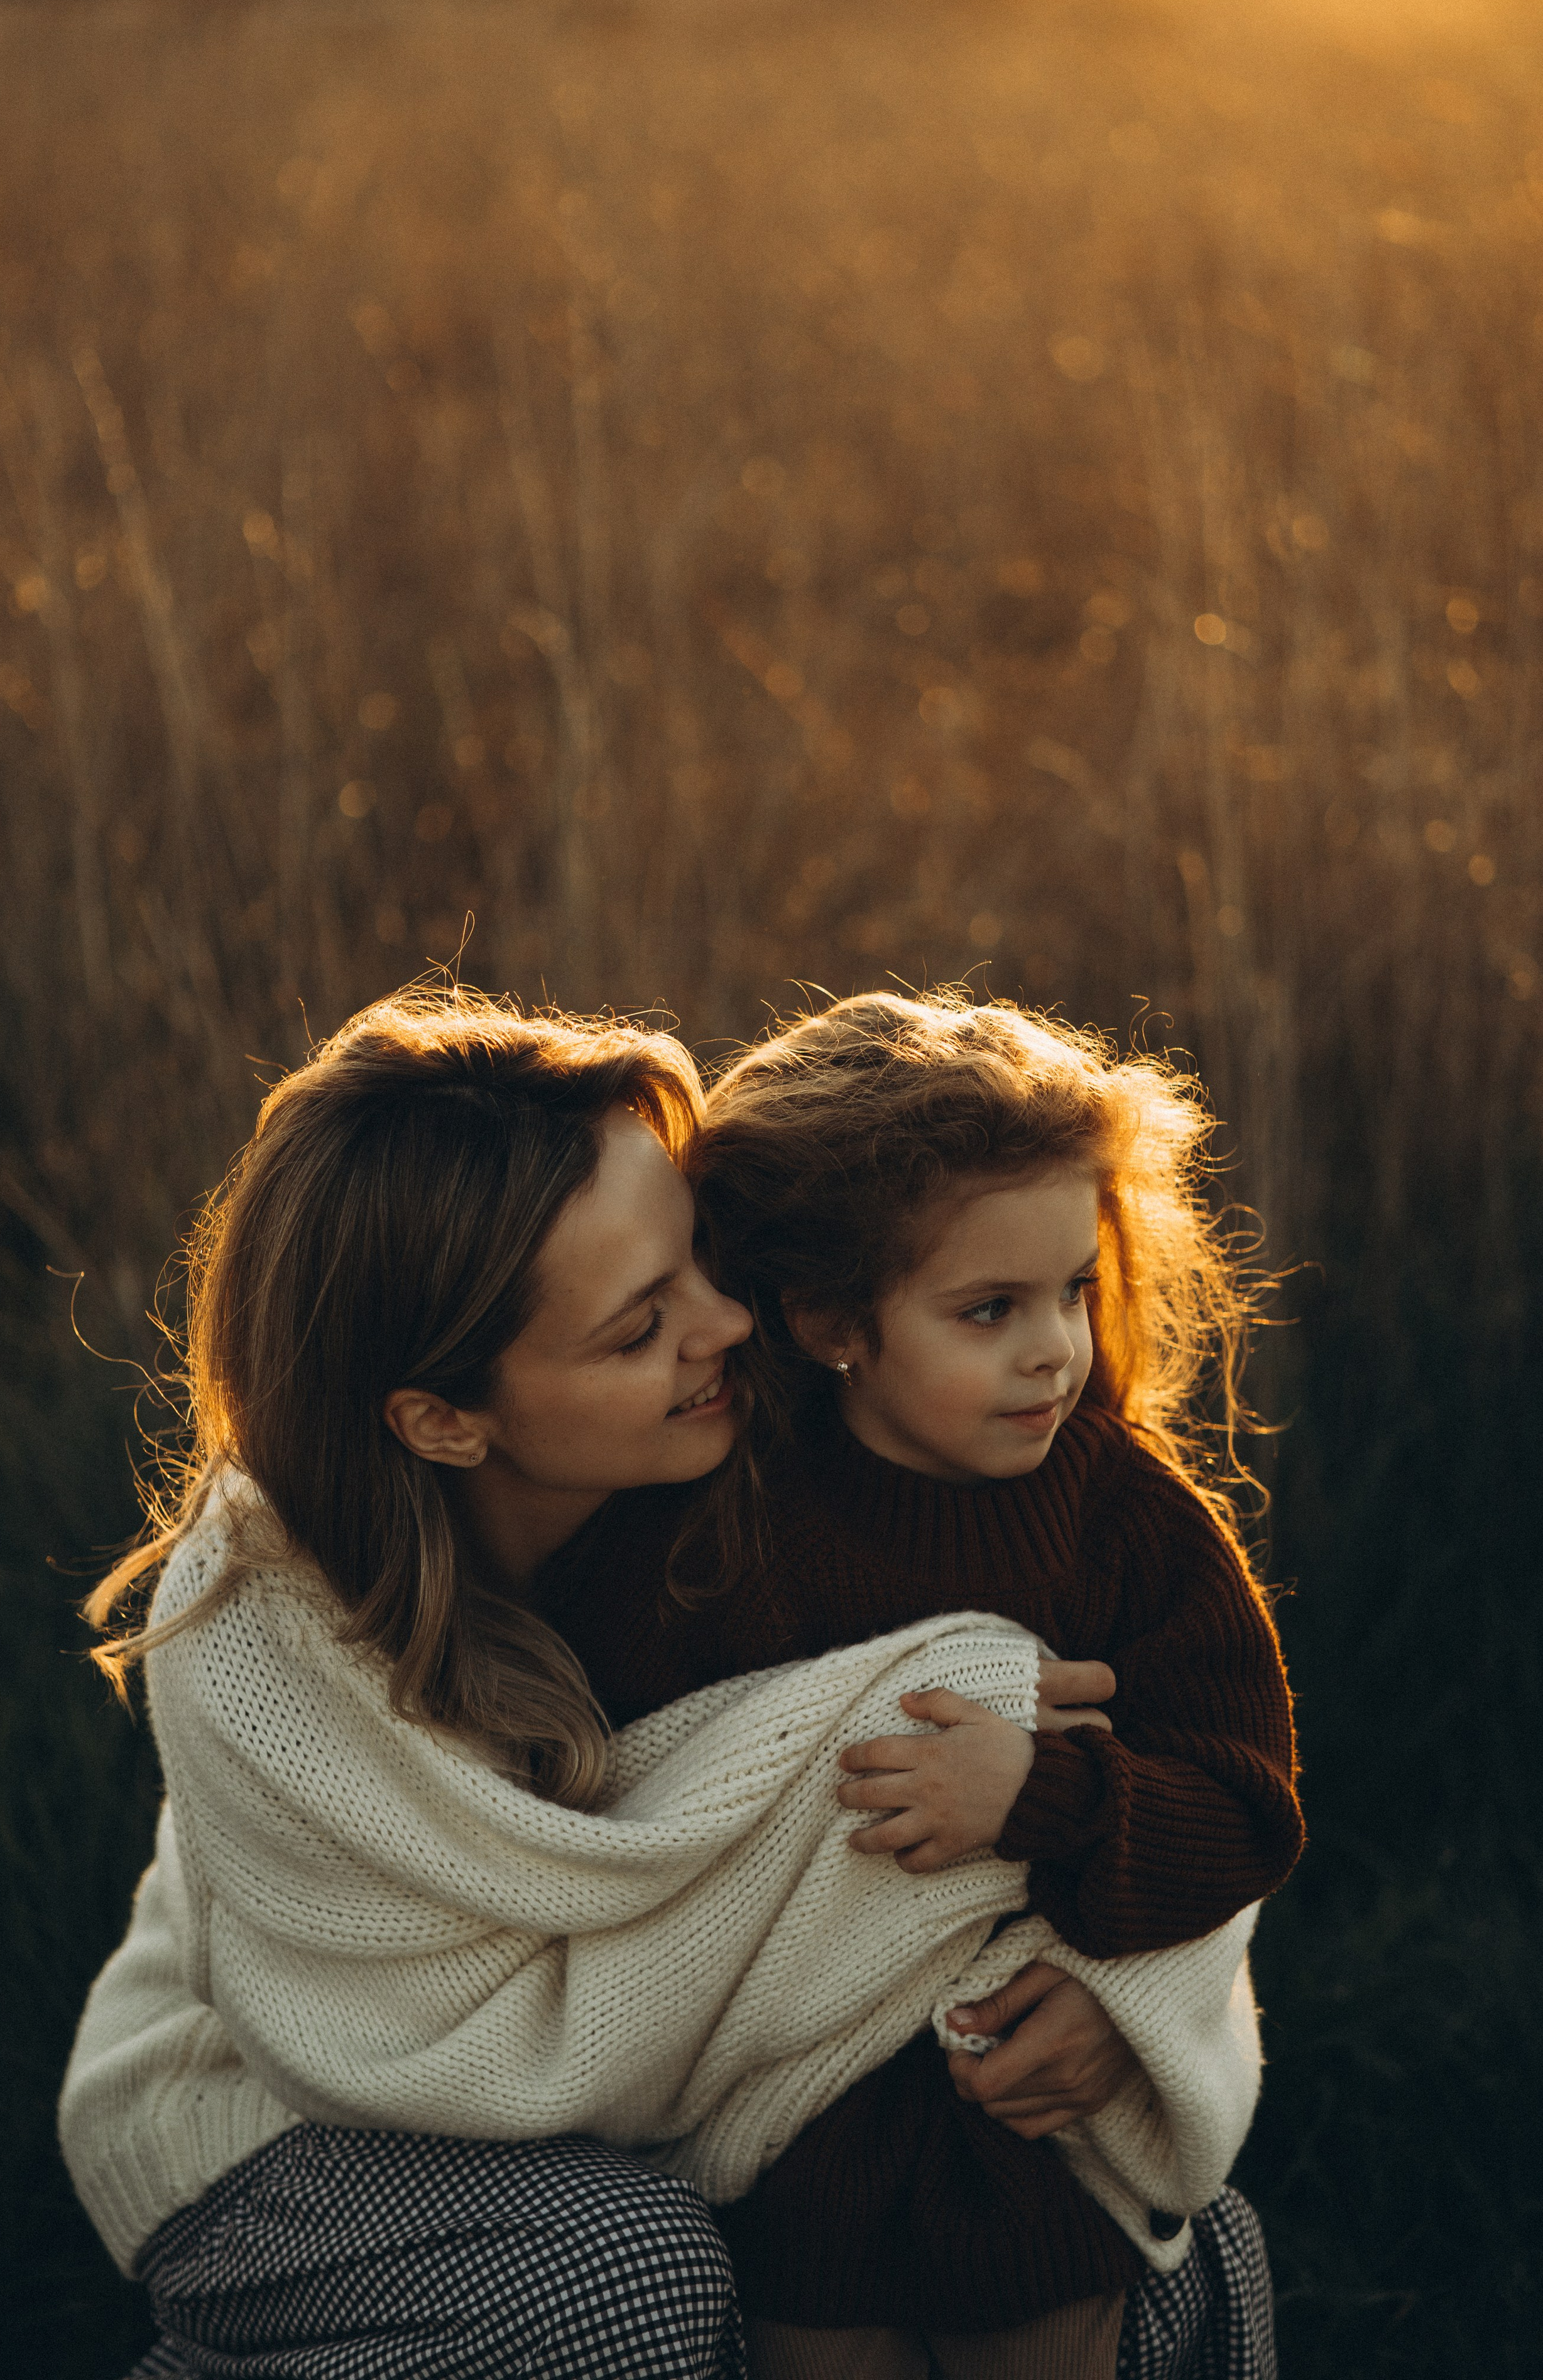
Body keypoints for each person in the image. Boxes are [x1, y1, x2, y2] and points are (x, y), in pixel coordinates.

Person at [62, 986, 1170, 2380]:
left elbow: (1156, 1729)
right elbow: (447, 2035)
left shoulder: (786, 1423)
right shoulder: (265, 1625)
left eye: (699, 1260)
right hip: (289, 2102)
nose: (724, 1325)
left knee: (1148, 2244)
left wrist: (1107, 1994)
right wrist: (946, 1734)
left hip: (660, 2066)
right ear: (442, 1420)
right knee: (627, 2272)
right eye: (637, 1326)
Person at [540, 990, 1304, 2380]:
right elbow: (635, 1801)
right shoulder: (718, 1522)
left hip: (1023, 2134)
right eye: (987, 1309)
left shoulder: (1120, 1515)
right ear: (832, 1316)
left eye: (1073, 1289)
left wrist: (1046, 1792)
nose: (1052, 1350)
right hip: (793, 2133)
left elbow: (1244, 1808)